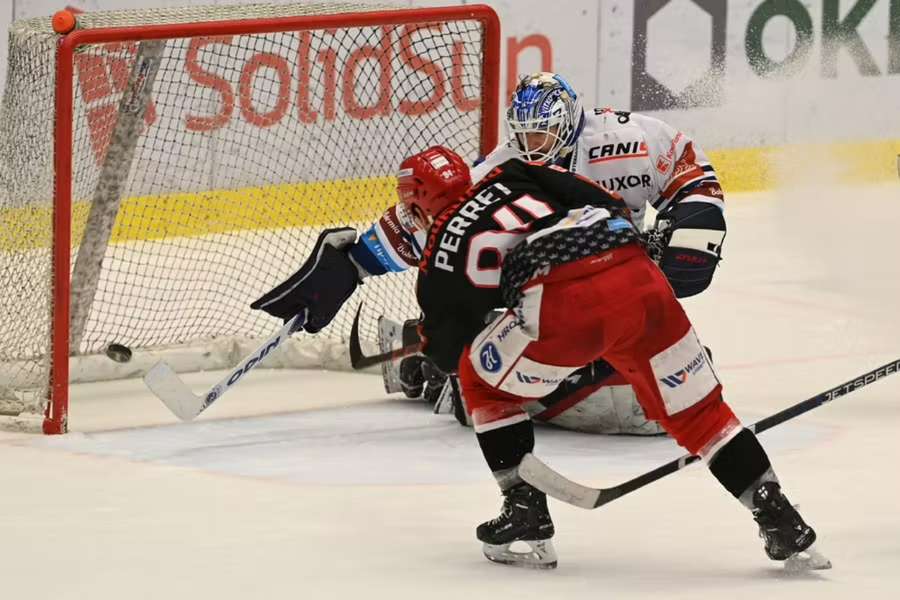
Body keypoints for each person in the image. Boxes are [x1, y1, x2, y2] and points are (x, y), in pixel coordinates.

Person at [395, 145, 822, 570]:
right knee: (702, 414)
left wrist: (490, 322)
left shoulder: (441, 247)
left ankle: (524, 513)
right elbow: (608, 201)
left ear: (418, 201)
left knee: (479, 380)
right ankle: (778, 515)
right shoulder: (514, 171)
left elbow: (448, 352)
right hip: (639, 277)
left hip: (563, 305)